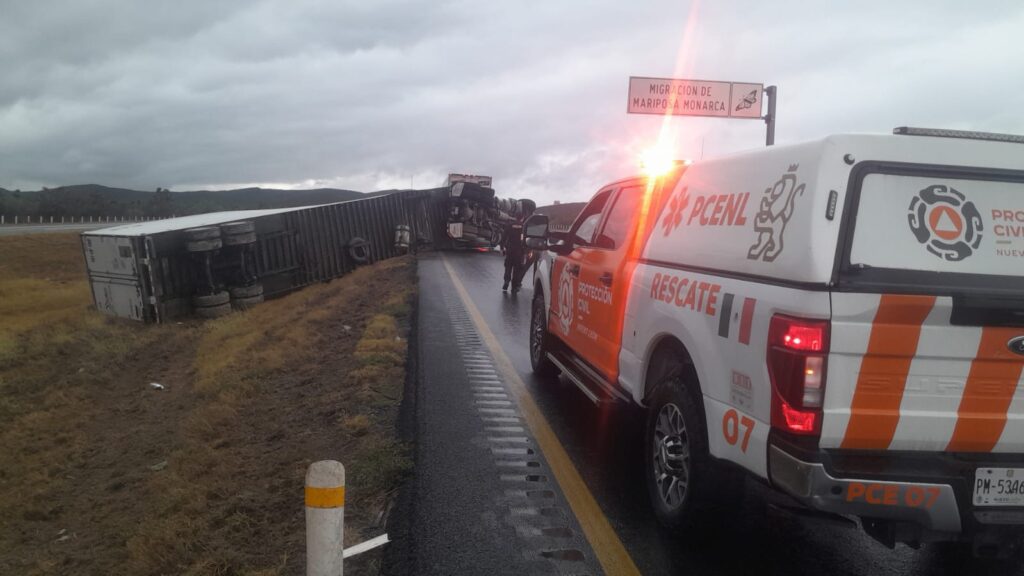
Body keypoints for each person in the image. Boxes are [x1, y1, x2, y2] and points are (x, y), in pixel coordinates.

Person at [501, 216, 525, 292]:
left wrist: (502, 247)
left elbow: (504, 237)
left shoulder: (509, 225)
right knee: (517, 269)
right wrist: (525, 251)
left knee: (508, 266)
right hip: (519, 251)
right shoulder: (523, 226)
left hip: (510, 249)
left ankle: (506, 281)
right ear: (522, 217)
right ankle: (514, 287)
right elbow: (525, 239)